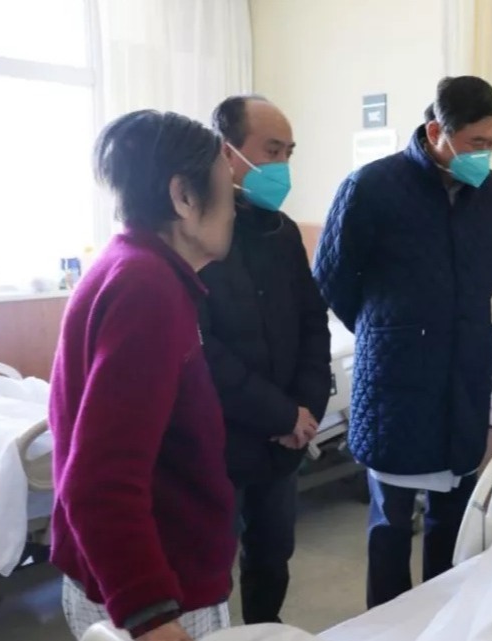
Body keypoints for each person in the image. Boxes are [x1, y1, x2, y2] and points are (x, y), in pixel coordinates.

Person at [313, 75, 492, 608]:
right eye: (475, 142)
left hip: (462, 375)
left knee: (454, 517)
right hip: (395, 381)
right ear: (435, 132)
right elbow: (332, 278)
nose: (485, 155)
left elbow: (487, 275)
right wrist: (387, 330)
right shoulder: (371, 188)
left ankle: (440, 621)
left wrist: (454, 324)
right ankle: (386, 625)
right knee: (391, 524)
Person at [48, 110, 237, 641]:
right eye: (227, 192)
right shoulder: (147, 289)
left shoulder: (127, 265)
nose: (233, 210)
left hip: (120, 575)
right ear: (184, 196)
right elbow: (99, 480)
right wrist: (151, 615)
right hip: (157, 590)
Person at [201, 95, 332, 624]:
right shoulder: (197, 238)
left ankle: (263, 631)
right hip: (223, 439)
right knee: (208, 568)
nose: (281, 166)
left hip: (283, 442)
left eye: (288, 153)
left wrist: (305, 409)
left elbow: (313, 322)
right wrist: (280, 414)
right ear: (226, 152)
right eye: (271, 151)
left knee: (272, 557)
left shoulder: (282, 233)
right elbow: (204, 349)